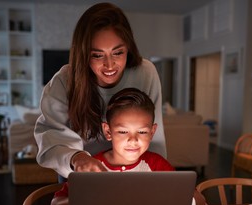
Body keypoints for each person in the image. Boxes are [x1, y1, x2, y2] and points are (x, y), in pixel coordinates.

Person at [34, 2, 166, 180]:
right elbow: (50, 135)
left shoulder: (145, 72)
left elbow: (154, 136)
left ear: (128, 47)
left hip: (135, 172)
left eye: (118, 53)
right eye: (97, 55)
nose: (109, 65)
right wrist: (77, 159)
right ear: (83, 54)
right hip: (81, 173)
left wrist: (162, 180)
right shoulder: (65, 80)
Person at [49, 88, 206, 205]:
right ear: (108, 131)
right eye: (123, 132)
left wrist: (164, 200)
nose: (133, 140)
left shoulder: (157, 165)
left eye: (142, 132)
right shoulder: (92, 167)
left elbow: (200, 202)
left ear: (152, 132)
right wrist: (92, 199)